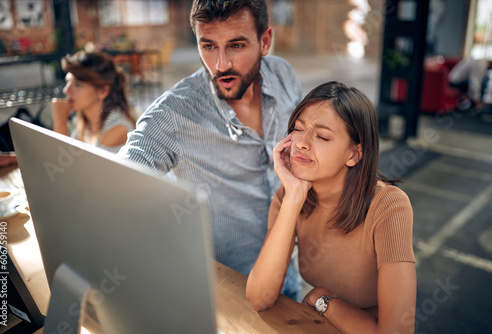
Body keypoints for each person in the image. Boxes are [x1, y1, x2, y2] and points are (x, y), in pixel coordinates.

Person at [117, 0, 303, 299]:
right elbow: (115, 181)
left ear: (265, 41)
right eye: (208, 46)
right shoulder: (172, 113)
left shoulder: (283, 75)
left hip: (289, 274)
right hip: (225, 293)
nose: (221, 64)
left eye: (237, 45)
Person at [246, 81, 416, 333]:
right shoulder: (289, 195)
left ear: (354, 155)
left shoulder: (389, 206)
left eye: (322, 136)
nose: (301, 143)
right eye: (297, 129)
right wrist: (293, 197)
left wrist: (323, 299)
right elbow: (260, 297)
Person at [0, 51, 136, 169]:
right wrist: (13, 158)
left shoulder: (117, 129)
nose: (67, 91)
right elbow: (63, 157)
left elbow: (69, 172)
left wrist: (60, 121)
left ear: (103, 91)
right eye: (68, 82)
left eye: (78, 85)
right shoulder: (85, 121)